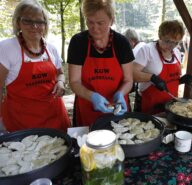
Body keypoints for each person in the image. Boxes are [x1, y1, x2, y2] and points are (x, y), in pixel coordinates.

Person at [0, 0, 70, 133]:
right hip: (21, 122)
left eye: (39, 21)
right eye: (28, 21)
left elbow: (60, 73)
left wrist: (60, 82)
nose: (34, 26)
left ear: (45, 25)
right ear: (18, 22)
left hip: (54, 117)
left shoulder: (51, 49)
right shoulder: (6, 48)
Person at [68, 0, 134, 127]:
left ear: (112, 20)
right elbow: (74, 82)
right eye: (90, 22)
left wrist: (120, 93)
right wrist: (92, 96)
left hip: (117, 109)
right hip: (87, 107)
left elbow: (128, 80)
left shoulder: (122, 43)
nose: (94, 28)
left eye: (100, 23)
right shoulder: (78, 42)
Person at [133, 20, 192, 114]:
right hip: (149, 105)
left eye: (175, 42)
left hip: (170, 106)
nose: (171, 46)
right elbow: (132, 74)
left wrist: (180, 81)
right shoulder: (147, 50)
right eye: (167, 41)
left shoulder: (177, 53)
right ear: (160, 35)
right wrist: (151, 77)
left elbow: (167, 82)